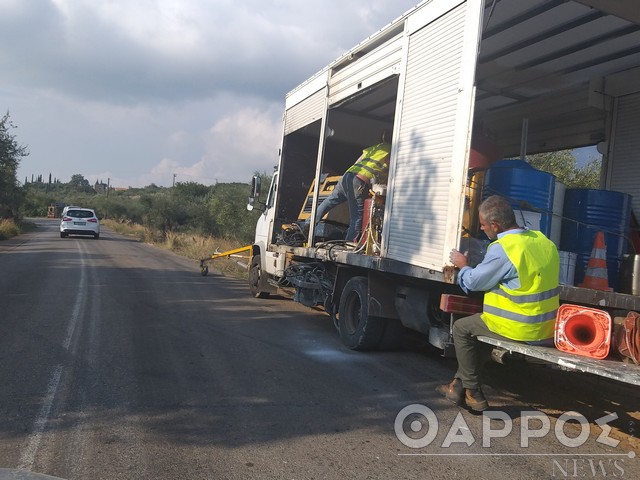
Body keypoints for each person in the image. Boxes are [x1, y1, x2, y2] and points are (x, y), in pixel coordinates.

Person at [437, 195, 560, 411]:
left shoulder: (504, 248)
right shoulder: (544, 242)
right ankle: (456, 386)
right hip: (547, 328)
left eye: (483, 225)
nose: (482, 229)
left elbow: (474, 283)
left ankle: (473, 392)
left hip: (520, 327)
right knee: (482, 331)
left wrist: (463, 265)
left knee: (461, 328)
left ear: (495, 225)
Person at [307, 129, 391, 242]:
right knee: (357, 218)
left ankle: (307, 224)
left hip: (347, 176)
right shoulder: (392, 151)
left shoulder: (374, 148)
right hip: (360, 181)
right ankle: (349, 244)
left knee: (329, 202)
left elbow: (357, 162)